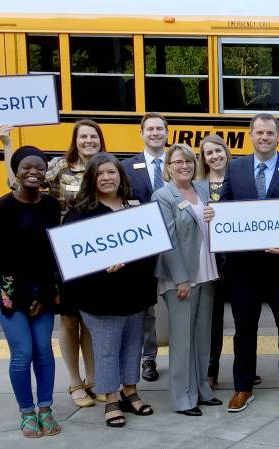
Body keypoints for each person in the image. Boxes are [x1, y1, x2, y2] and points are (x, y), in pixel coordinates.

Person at [0, 120, 107, 407]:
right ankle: (74, 382)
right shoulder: (59, 166)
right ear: (75, 140)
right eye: (82, 137)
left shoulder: (107, 166)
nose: (88, 141)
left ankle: (94, 378)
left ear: (100, 141)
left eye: (93, 136)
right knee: (69, 320)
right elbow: (16, 181)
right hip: (63, 253)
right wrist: (8, 146)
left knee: (91, 319)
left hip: (96, 252)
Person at [220, 113, 279, 413]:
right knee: (244, 329)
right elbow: (225, 207)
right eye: (259, 132)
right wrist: (214, 215)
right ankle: (242, 387)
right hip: (244, 268)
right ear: (250, 134)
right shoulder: (235, 168)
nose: (264, 137)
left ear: (278, 135)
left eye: (269, 133)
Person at [64, 152, 156, 428]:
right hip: (99, 296)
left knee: (132, 345)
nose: (106, 178)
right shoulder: (81, 212)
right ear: (92, 178)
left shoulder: (135, 206)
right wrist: (101, 264)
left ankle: (130, 392)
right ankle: (111, 399)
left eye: (112, 172)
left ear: (120, 176)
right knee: (107, 348)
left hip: (135, 292)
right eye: (101, 173)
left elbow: (150, 245)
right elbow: (71, 255)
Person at [0, 146, 63, 438]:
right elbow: (2, 258)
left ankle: (45, 408)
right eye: (27, 167)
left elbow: (52, 254)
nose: (34, 172)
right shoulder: (1, 208)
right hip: (9, 286)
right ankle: (27, 412)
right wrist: (22, 297)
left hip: (41, 285)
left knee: (43, 349)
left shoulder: (51, 206)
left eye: (40, 167)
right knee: (22, 352)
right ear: (16, 171)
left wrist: (42, 294)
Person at [152, 144, 222, 416]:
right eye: (178, 162)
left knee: (202, 337)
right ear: (168, 166)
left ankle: (202, 389)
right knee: (182, 341)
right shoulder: (163, 195)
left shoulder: (203, 189)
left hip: (206, 273)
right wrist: (180, 279)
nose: (184, 166)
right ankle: (183, 398)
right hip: (180, 279)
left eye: (189, 162)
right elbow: (167, 241)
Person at [120, 112, 170, 383]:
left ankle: (186, 357)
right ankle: (147, 358)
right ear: (141, 133)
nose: (154, 133)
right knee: (146, 307)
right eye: (149, 129)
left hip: (175, 246)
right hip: (143, 248)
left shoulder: (178, 164)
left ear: (166, 133)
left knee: (178, 300)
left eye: (159, 129)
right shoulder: (126, 168)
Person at [196, 135, 234, 389]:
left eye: (218, 150)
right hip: (210, 262)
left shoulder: (240, 179)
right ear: (204, 158)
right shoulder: (197, 186)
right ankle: (211, 369)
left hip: (238, 260)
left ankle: (246, 367)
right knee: (213, 319)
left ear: (226, 151)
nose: (215, 156)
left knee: (245, 318)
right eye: (209, 153)